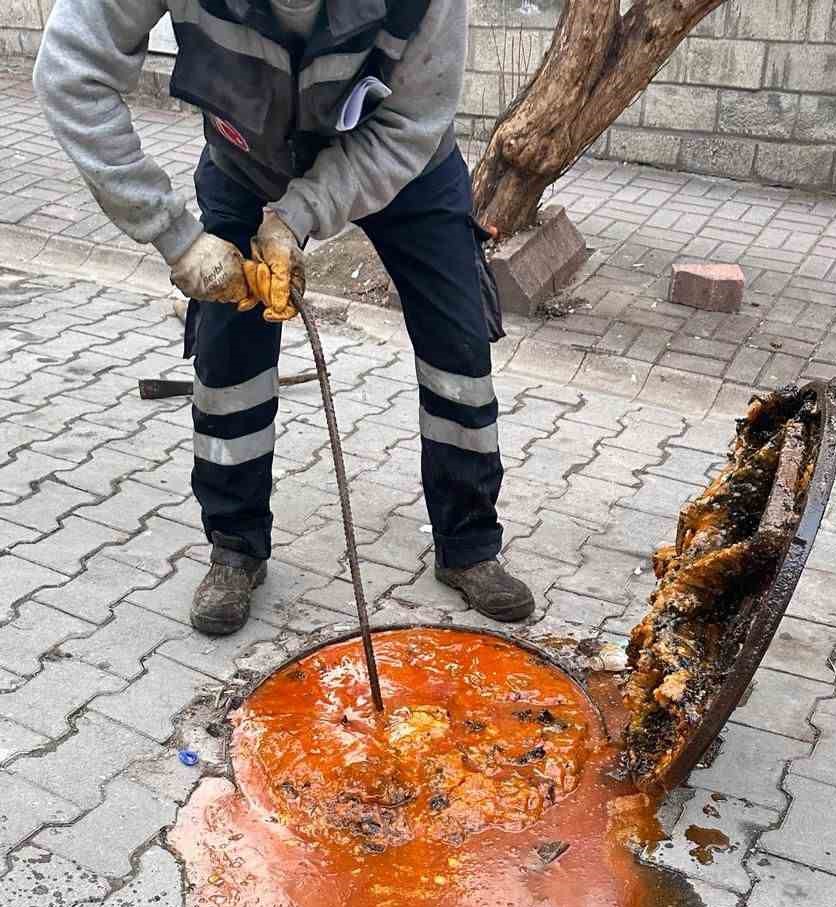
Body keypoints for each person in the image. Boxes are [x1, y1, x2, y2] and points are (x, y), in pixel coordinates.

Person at [34, 0, 536, 635]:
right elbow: (71, 73)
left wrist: (299, 215)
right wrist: (174, 236)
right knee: (230, 358)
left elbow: (412, 121)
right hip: (246, 160)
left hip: (401, 157)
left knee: (456, 344)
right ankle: (235, 547)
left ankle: (469, 546)